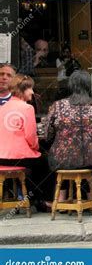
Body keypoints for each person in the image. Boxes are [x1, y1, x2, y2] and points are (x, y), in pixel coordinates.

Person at [0, 74, 50, 208]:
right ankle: (41, 200)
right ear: (22, 90)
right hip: (18, 157)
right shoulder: (27, 108)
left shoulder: (2, 108)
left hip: (1, 157)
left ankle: (21, 197)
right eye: (30, 89)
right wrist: (36, 147)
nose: (33, 92)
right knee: (46, 162)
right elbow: (31, 138)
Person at [45, 70, 92, 172]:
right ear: (89, 85)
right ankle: (89, 187)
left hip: (63, 160)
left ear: (71, 85)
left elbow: (48, 135)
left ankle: (63, 187)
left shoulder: (58, 106)